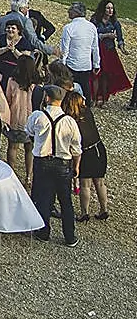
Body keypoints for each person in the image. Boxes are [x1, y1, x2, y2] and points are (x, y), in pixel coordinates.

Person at [25, 84, 81, 247]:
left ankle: (43, 232)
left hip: (42, 162)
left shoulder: (37, 116)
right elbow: (77, 148)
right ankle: (69, 236)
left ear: (47, 98)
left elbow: (28, 131)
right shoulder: (69, 121)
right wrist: (76, 166)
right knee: (66, 201)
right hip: (63, 164)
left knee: (43, 197)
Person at [64, 91, 108, 222]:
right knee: (100, 182)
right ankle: (104, 209)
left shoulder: (71, 119)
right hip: (98, 147)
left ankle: (85, 213)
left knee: (85, 184)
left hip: (86, 152)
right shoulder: (87, 112)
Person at [4, 53, 43, 177]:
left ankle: (11, 174)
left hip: (15, 118)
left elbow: (8, 99)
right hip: (31, 120)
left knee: (12, 147)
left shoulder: (12, 81)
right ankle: (28, 176)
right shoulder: (36, 84)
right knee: (29, 149)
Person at [89, 0, 130, 107]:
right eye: (108, 8)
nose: (110, 10)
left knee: (106, 75)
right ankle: (94, 98)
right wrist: (106, 35)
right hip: (97, 49)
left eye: (111, 8)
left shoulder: (115, 22)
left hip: (109, 50)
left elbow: (120, 38)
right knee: (96, 73)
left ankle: (104, 99)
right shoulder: (95, 20)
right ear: (103, 9)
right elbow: (91, 35)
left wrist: (122, 48)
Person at [59, 2, 101, 99]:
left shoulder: (69, 28)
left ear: (75, 13)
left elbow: (65, 49)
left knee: (70, 88)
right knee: (85, 87)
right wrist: (96, 64)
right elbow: (95, 47)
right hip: (86, 65)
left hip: (71, 64)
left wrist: (62, 63)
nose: (68, 11)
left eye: (71, 10)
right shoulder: (91, 27)